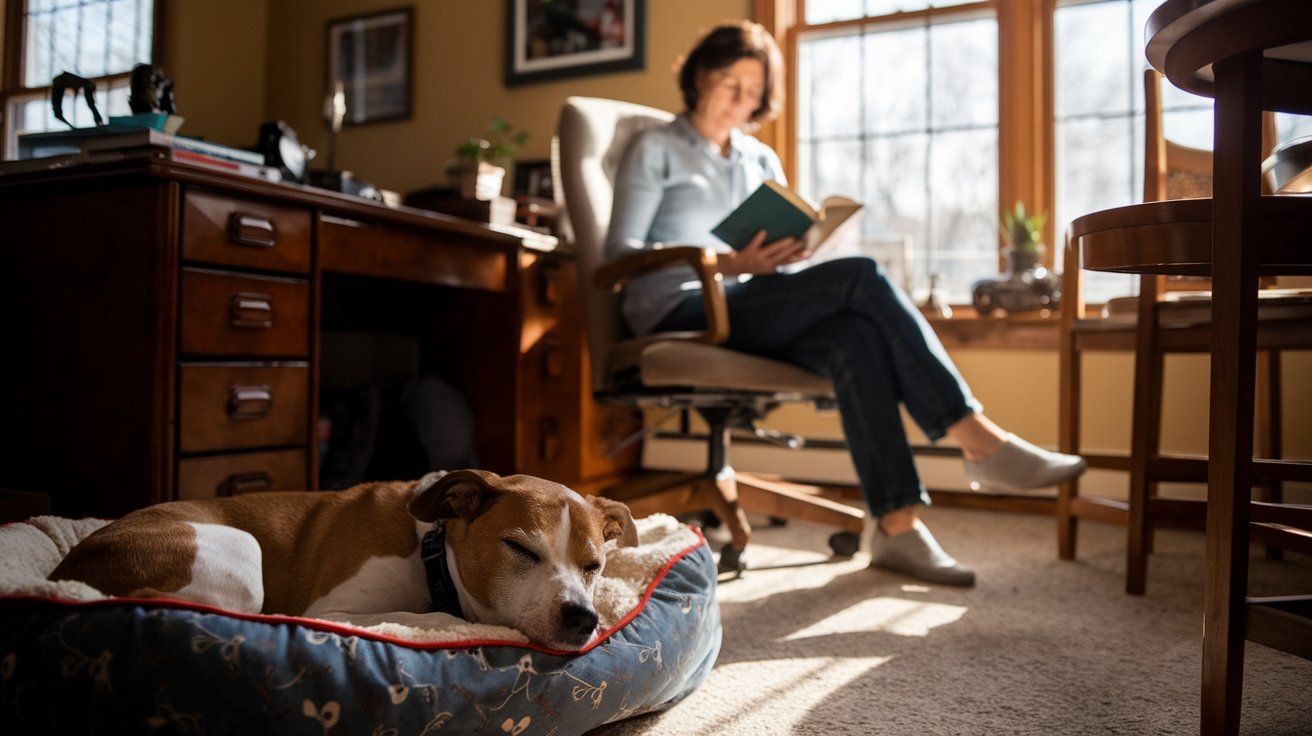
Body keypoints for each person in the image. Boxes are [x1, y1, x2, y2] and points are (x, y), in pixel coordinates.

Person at [604, 21, 1087, 586]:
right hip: (678, 306)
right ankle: (976, 436)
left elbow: (776, 264)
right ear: (701, 76)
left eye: (754, 92)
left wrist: (788, 253)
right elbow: (620, 252)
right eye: (731, 84)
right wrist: (724, 264)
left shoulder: (759, 159)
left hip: (747, 302)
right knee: (861, 276)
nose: (742, 100)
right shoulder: (656, 146)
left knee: (854, 337)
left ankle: (898, 529)